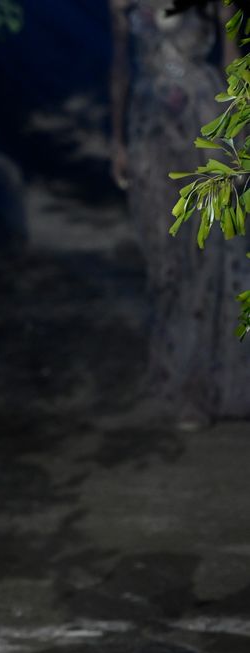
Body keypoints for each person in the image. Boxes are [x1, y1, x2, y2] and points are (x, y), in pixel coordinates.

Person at [109, 0, 250, 428]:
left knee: (205, 255)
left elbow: (233, 65)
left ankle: (199, 388)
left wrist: (239, 143)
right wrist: (116, 140)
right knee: (164, 258)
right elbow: (120, 69)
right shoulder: (123, 3)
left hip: (202, 125)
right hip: (149, 127)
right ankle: (177, 369)